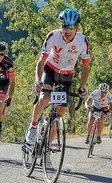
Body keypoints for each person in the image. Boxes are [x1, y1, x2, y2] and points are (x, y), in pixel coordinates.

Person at [26, 9, 90, 147]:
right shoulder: (52, 36)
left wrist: (82, 87)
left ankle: (47, 148)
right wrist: (38, 80)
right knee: (45, 97)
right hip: (50, 70)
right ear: (60, 25)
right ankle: (33, 125)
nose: (68, 30)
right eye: (65, 26)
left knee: (59, 114)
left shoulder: (83, 41)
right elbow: (41, 62)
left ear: (76, 27)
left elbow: (86, 67)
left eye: (72, 27)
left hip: (66, 75)